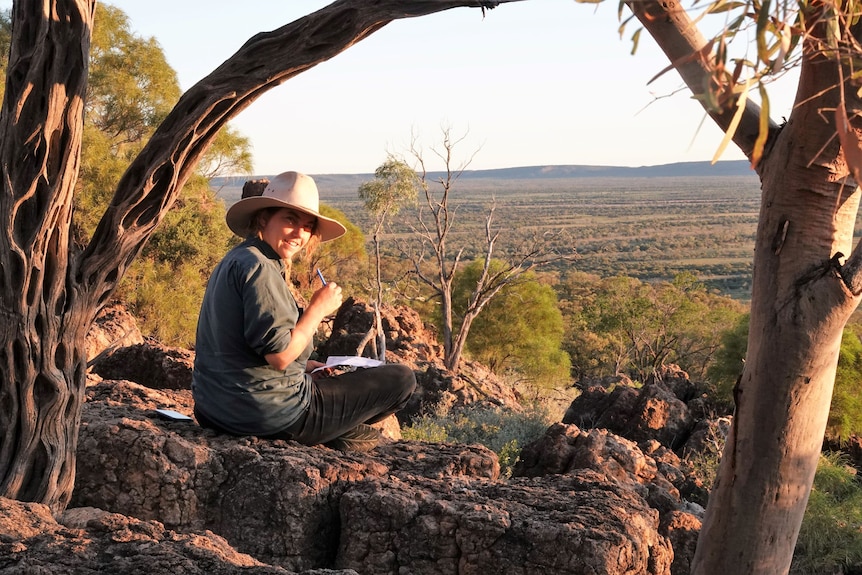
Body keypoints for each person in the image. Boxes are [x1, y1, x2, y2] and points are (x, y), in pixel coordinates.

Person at [191, 171, 416, 452]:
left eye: (308, 226)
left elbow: (245, 346)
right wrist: (317, 309)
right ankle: (326, 431)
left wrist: (309, 367)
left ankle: (334, 430)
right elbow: (280, 356)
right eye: (289, 220)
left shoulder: (239, 258)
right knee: (402, 379)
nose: (300, 233)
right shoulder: (260, 267)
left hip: (215, 410)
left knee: (353, 418)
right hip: (268, 412)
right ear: (264, 218)